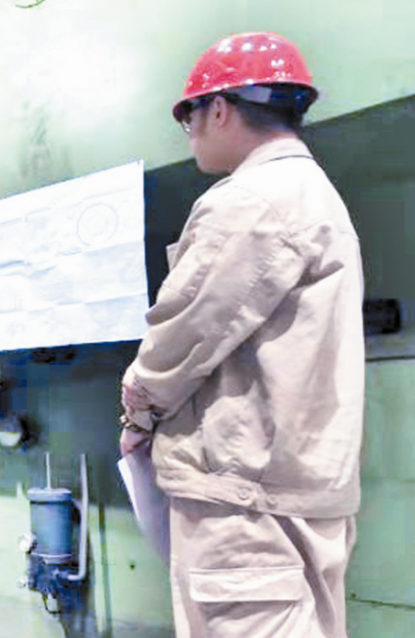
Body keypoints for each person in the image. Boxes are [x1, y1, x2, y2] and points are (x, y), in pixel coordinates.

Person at [119, 32, 364, 638]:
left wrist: (137, 413)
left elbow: (183, 335)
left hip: (246, 504)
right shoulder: (315, 195)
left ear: (221, 109)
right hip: (295, 495)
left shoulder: (252, 200)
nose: (192, 135)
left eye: (191, 119)